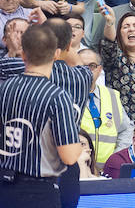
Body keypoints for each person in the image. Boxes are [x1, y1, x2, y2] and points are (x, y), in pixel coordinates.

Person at [0, 24, 81, 207]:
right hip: (39, 191)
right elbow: (69, 157)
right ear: (55, 54)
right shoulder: (57, 96)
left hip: (4, 186)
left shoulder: (3, 89)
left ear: (23, 55)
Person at [78, 48, 133, 172]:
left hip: (109, 171)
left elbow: (126, 130)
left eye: (91, 66)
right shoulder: (66, 96)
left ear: (100, 69)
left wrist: (116, 158)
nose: (86, 70)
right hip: (79, 169)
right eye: (81, 66)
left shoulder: (112, 95)